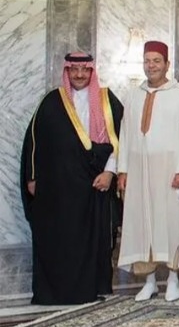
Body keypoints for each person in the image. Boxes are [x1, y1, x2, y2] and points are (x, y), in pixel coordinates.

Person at [20, 52, 123, 305]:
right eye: (74, 70)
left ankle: (92, 289)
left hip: (95, 186)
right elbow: (33, 141)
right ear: (67, 71)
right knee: (60, 241)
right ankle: (56, 293)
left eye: (84, 70)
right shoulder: (52, 101)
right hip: (60, 190)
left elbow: (124, 139)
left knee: (94, 242)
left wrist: (110, 172)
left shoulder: (107, 100)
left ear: (91, 71)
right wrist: (32, 177)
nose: (79, 74)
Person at [116, 40, 179, 302]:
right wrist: (123, 169)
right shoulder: (133, 95)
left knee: (172, 223)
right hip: (139, 170)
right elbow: (125, 134)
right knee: (141, 224)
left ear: (167, 64)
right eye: (147, 61)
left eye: (156, 61)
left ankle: (172, 280)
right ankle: (149, 282)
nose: (151, 66)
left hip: (169, 170)